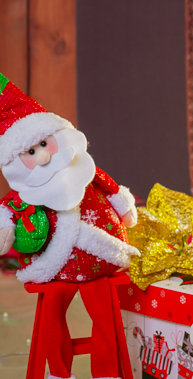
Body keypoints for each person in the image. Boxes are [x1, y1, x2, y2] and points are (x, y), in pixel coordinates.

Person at [0, 73, 139, 379]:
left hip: (101, 264)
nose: (45, 155)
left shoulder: (84, 169)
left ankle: (108, 372)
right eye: (31, 152)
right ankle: (59, 373)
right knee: (52, 315)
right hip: (56, 270)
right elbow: (8, 211)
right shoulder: (24, 194)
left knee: (104, 316)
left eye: (45, 144)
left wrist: (125, 208)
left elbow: (111, 188)